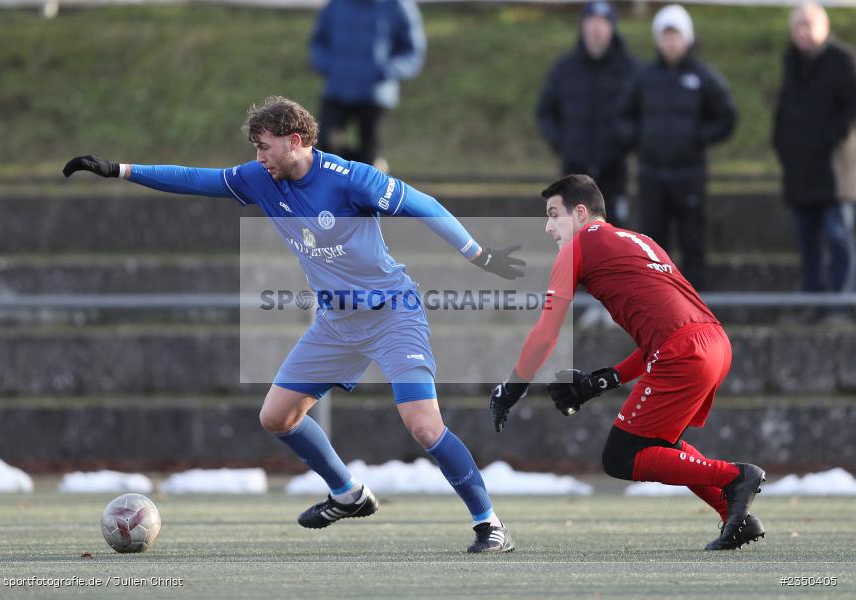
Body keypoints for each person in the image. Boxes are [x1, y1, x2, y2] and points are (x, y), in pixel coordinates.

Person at [63, 96, 523, 553]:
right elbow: (194, 179)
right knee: (277, 417)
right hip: (336, 323)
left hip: (393, 316)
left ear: (294, 141)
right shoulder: (260, 178)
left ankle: (490, 524)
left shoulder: (351, 178)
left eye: (264, 147)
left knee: (423, 426)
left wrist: (479, 255)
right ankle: (347, 494)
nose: (258, 157)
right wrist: (121, 170)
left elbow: (425, 205)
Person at [488, 174, 766, 551]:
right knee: (661, 444)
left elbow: (547, 331)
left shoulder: (576, 248)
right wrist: (603, 381)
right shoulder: (642, 240)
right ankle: (736, 516)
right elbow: (670, 331)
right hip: (713, 342)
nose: (548, 227)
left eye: (554, 215)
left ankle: (735, 476)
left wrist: (513, 386)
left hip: (683, 350)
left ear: (581, 213)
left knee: (621, 456)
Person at [616, 4, 736, 290]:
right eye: (666, 36)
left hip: (689, 176)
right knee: (652, 248)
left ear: (687, 38)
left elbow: (727, 118)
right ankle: (656, 303)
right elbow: (622, 117)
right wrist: (641, 139)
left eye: (676, 36)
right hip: (652, 176)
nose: (671, 43)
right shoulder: (644, 78)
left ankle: (695, 305)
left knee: (693, 244)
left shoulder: (703, 77)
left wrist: (698, 137)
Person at [772, 1, 856, 306]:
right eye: (798, 26)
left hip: (835, 171)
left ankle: (842, 303)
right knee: (808, 243)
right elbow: (784, 109)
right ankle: (812, 303)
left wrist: (829, 137)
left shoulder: (843, 60)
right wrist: (782, 143)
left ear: (825, 27)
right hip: (801, 171)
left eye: (808, 25)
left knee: (838, 238)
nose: (803, 32)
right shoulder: (792, 61)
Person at [536, 0, 639, 229]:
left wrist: (627, 140)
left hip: (613, 171)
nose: (596, 29)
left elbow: (642, 113)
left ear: (612, 27)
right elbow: (545, 112)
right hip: (574, 172)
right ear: (583, 26)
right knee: (573, 234)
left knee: (613, 234)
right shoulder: (565, 68)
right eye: (592, 22)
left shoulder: (630, 69)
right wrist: (562, 143)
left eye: (602, 22)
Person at [309, 0, 426, 170]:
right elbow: (318, 42)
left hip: (376, 93)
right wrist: (329, 66)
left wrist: (386, 71)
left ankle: (370, 170)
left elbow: (413, 51)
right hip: (337, 89)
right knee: (325, 145)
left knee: (369, 153)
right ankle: (357, 171)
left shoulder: (397, 5)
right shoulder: (336, 5)